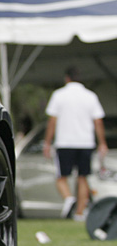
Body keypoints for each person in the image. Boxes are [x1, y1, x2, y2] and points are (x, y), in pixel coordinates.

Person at [43, 67, 108, 222]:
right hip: (86, 142)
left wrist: (47, 142)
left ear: (67, 78)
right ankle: (79, 213)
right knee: (83, 177)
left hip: (65, 142)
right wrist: (102, 143)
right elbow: (98, 121)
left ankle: (69, 199)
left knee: (61, 177)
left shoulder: (59, 95)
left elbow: (52, 121)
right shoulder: (90, 96)